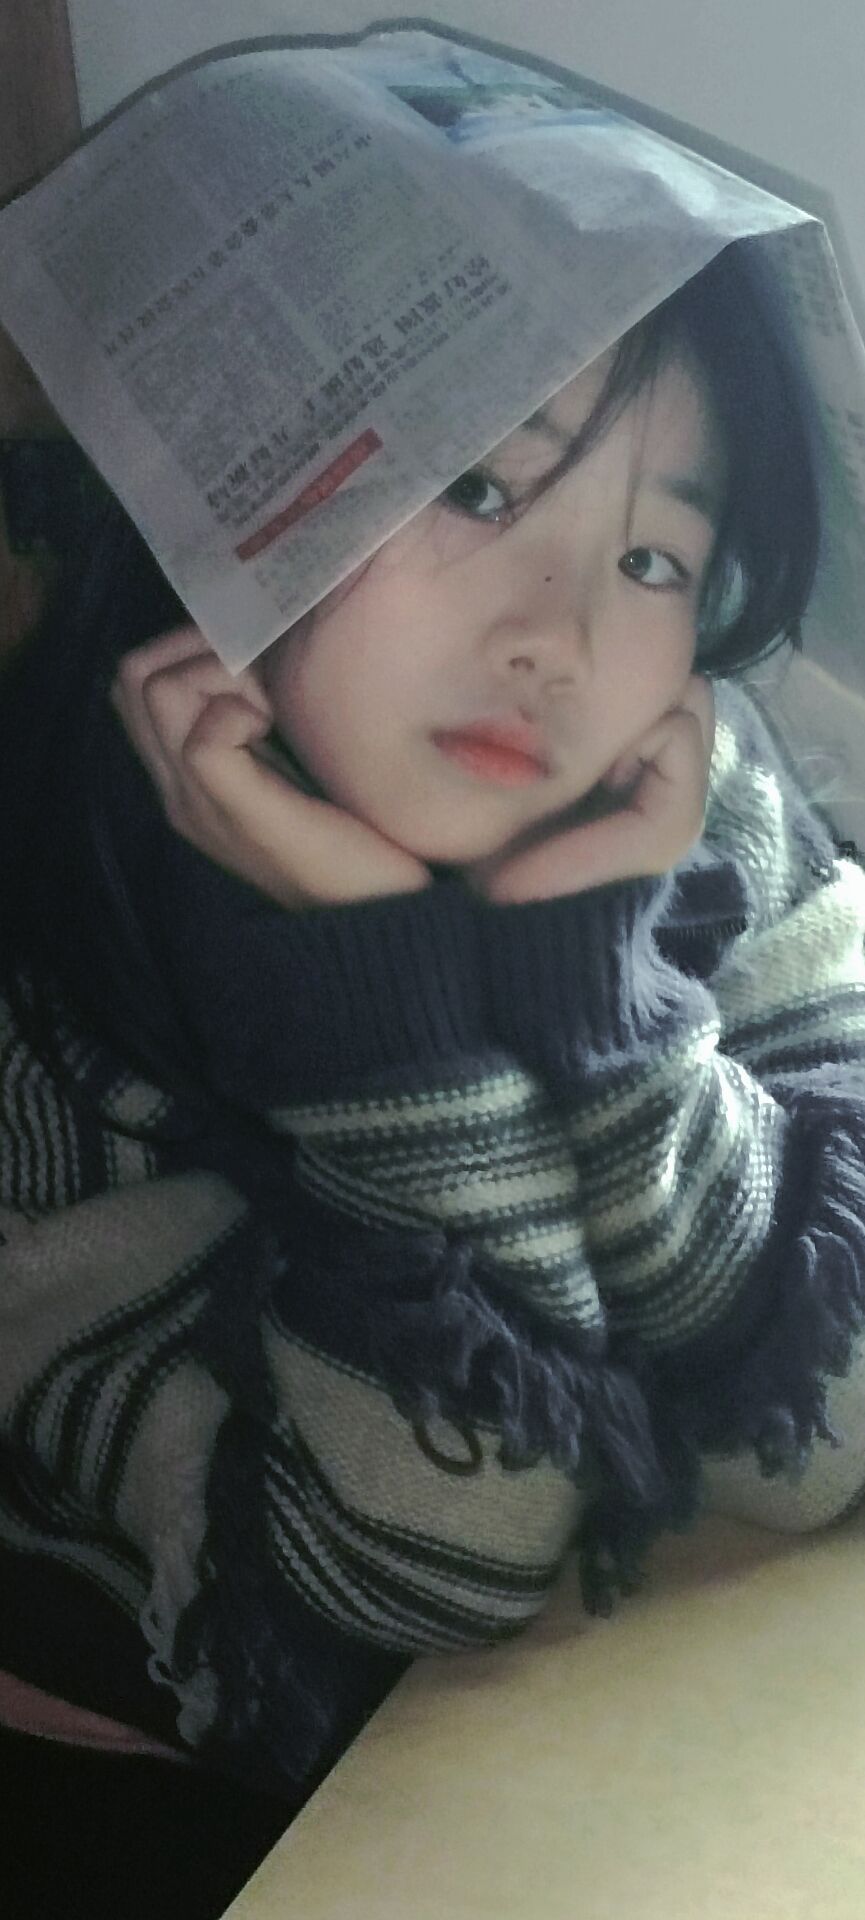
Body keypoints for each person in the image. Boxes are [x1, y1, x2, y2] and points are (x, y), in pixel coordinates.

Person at [2, 232, 865, 1816]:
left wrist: (601, 993)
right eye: (476, 489)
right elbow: (419, 1576)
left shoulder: (692, 787)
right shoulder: (57, 1018)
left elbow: (819, 1436)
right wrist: (377, 1001)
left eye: (651, 560)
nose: (559, 639)